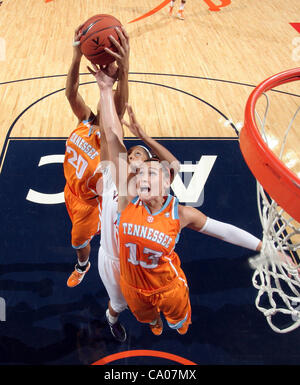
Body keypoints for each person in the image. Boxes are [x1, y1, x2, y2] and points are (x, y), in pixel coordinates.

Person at [96, 66, 263, 336]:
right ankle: (130, 319)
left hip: (165, 285)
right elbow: (114, 138)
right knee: (124, 307)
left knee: (181, 326)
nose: (143, 172)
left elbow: (224, 230)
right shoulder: (128, 196)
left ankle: (169, 320)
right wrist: (104, 90)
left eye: (152, 169)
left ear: (167, 183)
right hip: (124, 273)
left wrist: (263, 246)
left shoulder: (179, 212)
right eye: (141, 169)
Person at [88, 36, 180, 341]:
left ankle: (153, 316)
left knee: (152, 302)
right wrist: (106, 88)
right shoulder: (115, 175)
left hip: (143, 262)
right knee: (119, 303)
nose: (136, 156)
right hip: (111, 259)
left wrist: (146, 137)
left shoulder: (154, 193)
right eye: (134, 153)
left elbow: (175, 167)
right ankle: (111, 317)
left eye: (144, 156)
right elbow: (110, 130)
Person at [64, 24, 129, 288]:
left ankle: (83, 265)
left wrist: (124, 72)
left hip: (88, 206)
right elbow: (70, 92)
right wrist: (77, 55)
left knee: (79, 243)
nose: (108, 103)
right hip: (70, 189)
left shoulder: (109, 143)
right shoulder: (86, 119)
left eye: (111, 103)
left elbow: (119, 106)